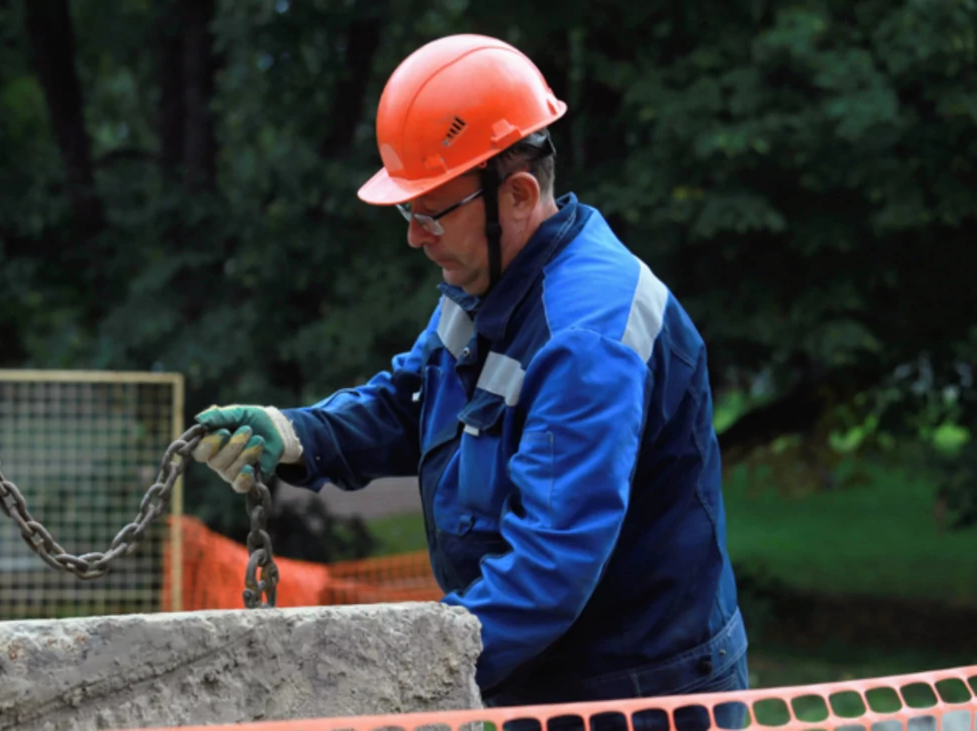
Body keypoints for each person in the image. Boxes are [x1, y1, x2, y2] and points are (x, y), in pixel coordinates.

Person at [192, 32, 750, 724]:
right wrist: (298, 433)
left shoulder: (586, 336)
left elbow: (550, 564)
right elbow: (412, 400)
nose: (413, 236)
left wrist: (414, 678)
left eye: (429, 213)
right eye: (408, 211)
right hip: (545, 676)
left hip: (636, 697)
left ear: (516, 195)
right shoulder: (490, 282)